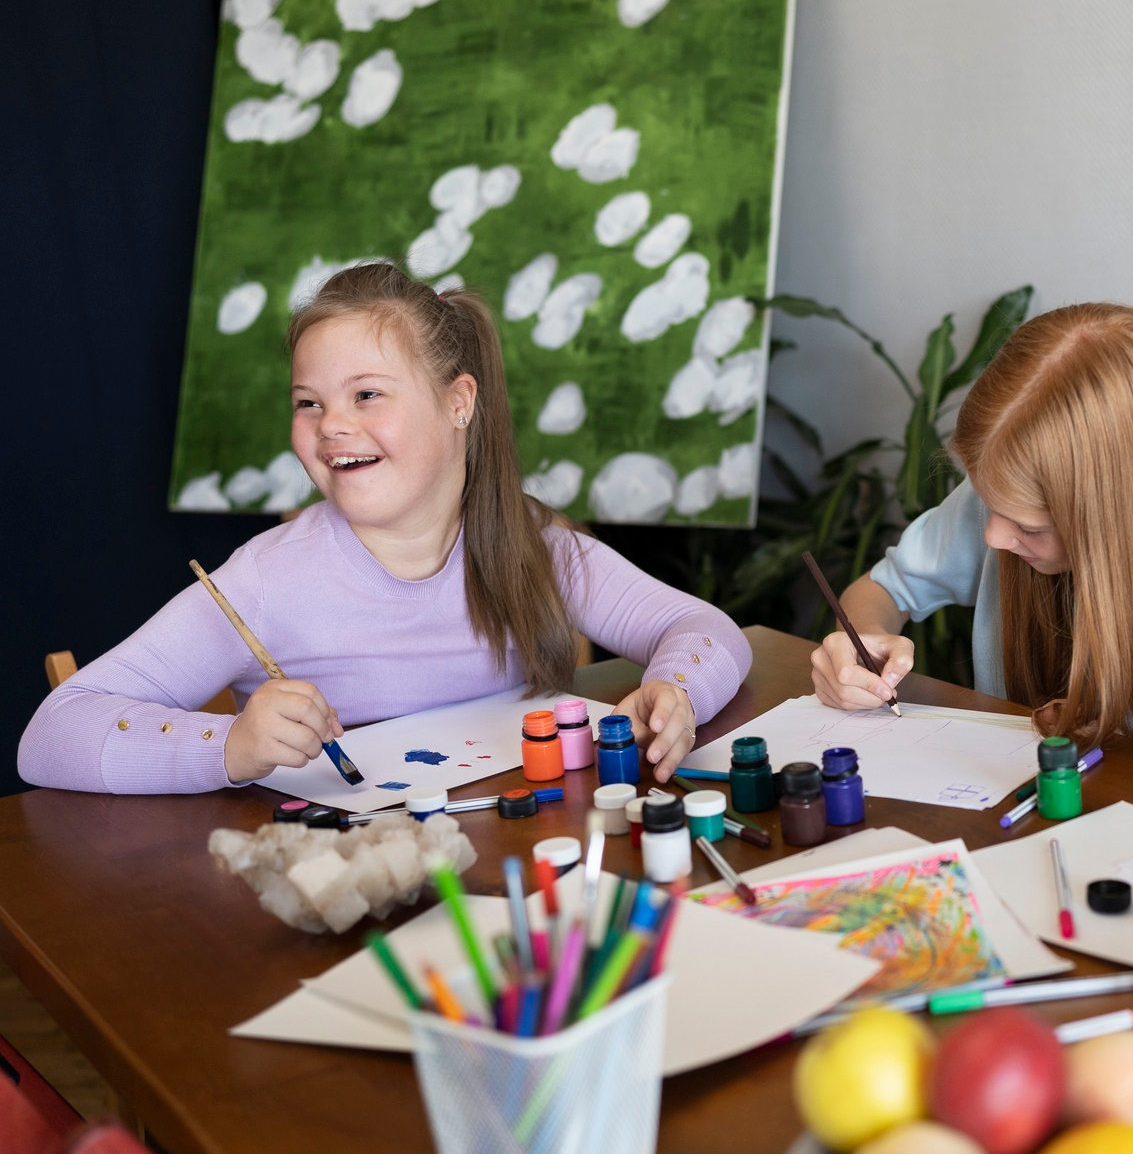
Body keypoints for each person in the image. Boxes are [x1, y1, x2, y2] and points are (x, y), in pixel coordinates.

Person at [21, 262, 747, 793]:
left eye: (366, 394)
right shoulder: (266, 580)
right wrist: (231, 743)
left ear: (459, 402)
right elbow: (53, 731)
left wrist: (676, 691)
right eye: (308, 402)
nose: (331, 424)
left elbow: (704, 628)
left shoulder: (533, 544)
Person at [810, 302, 1133, 759]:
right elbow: (881, 589)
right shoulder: (1000, 505)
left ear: (1118, 515)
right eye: (988, 503)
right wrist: (864, 642)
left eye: (1029, 527)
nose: (994, 538)